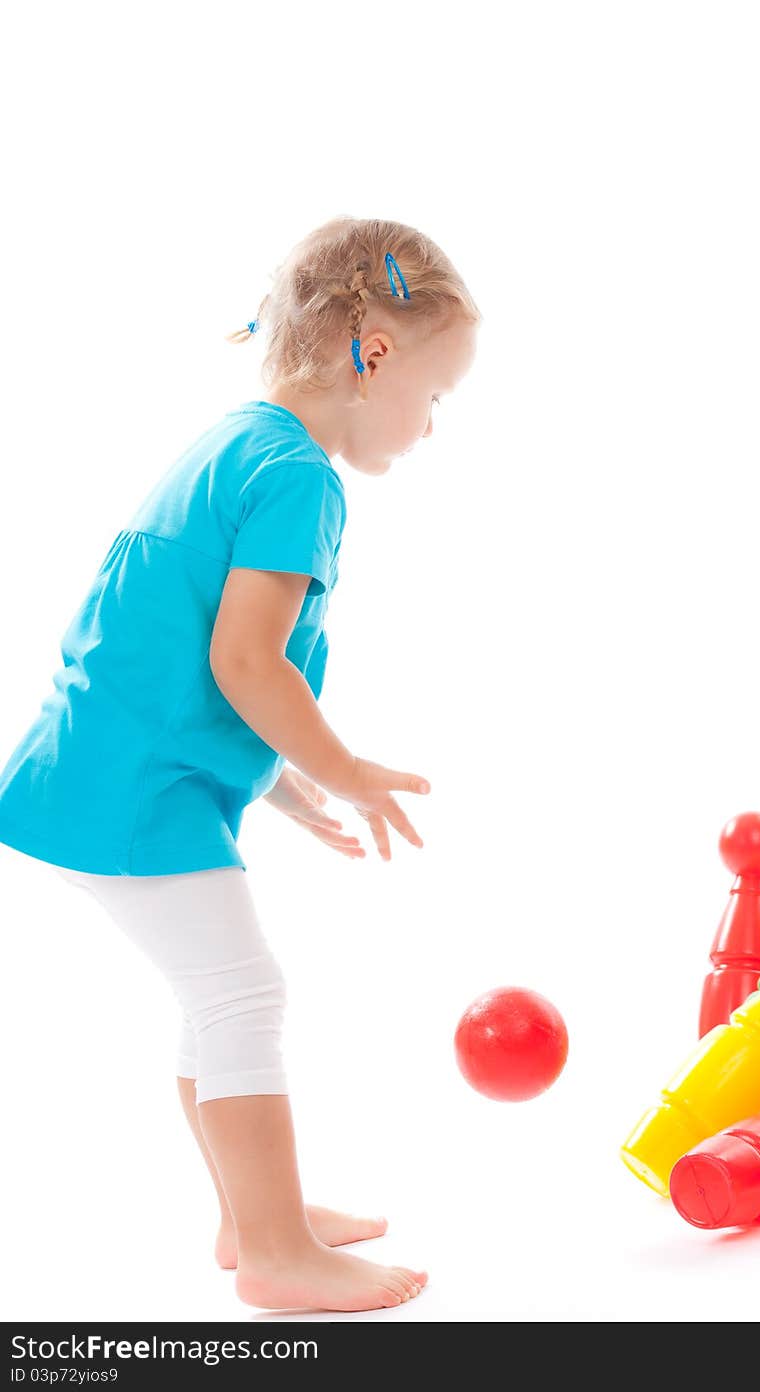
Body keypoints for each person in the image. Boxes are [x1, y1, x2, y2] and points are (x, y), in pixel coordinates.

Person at [0, 215, 481, 1313]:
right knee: (240, 993)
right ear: (375, 355)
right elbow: (246, 660)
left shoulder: (241, 442)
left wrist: (283, 782)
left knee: (211, 997)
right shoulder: (300, 478)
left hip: (112, 771)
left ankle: (251, 1209)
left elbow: (178, 664)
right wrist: (348, 765)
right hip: (130, 796)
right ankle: (274, 1249)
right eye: (436, 395)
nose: (431, 424)